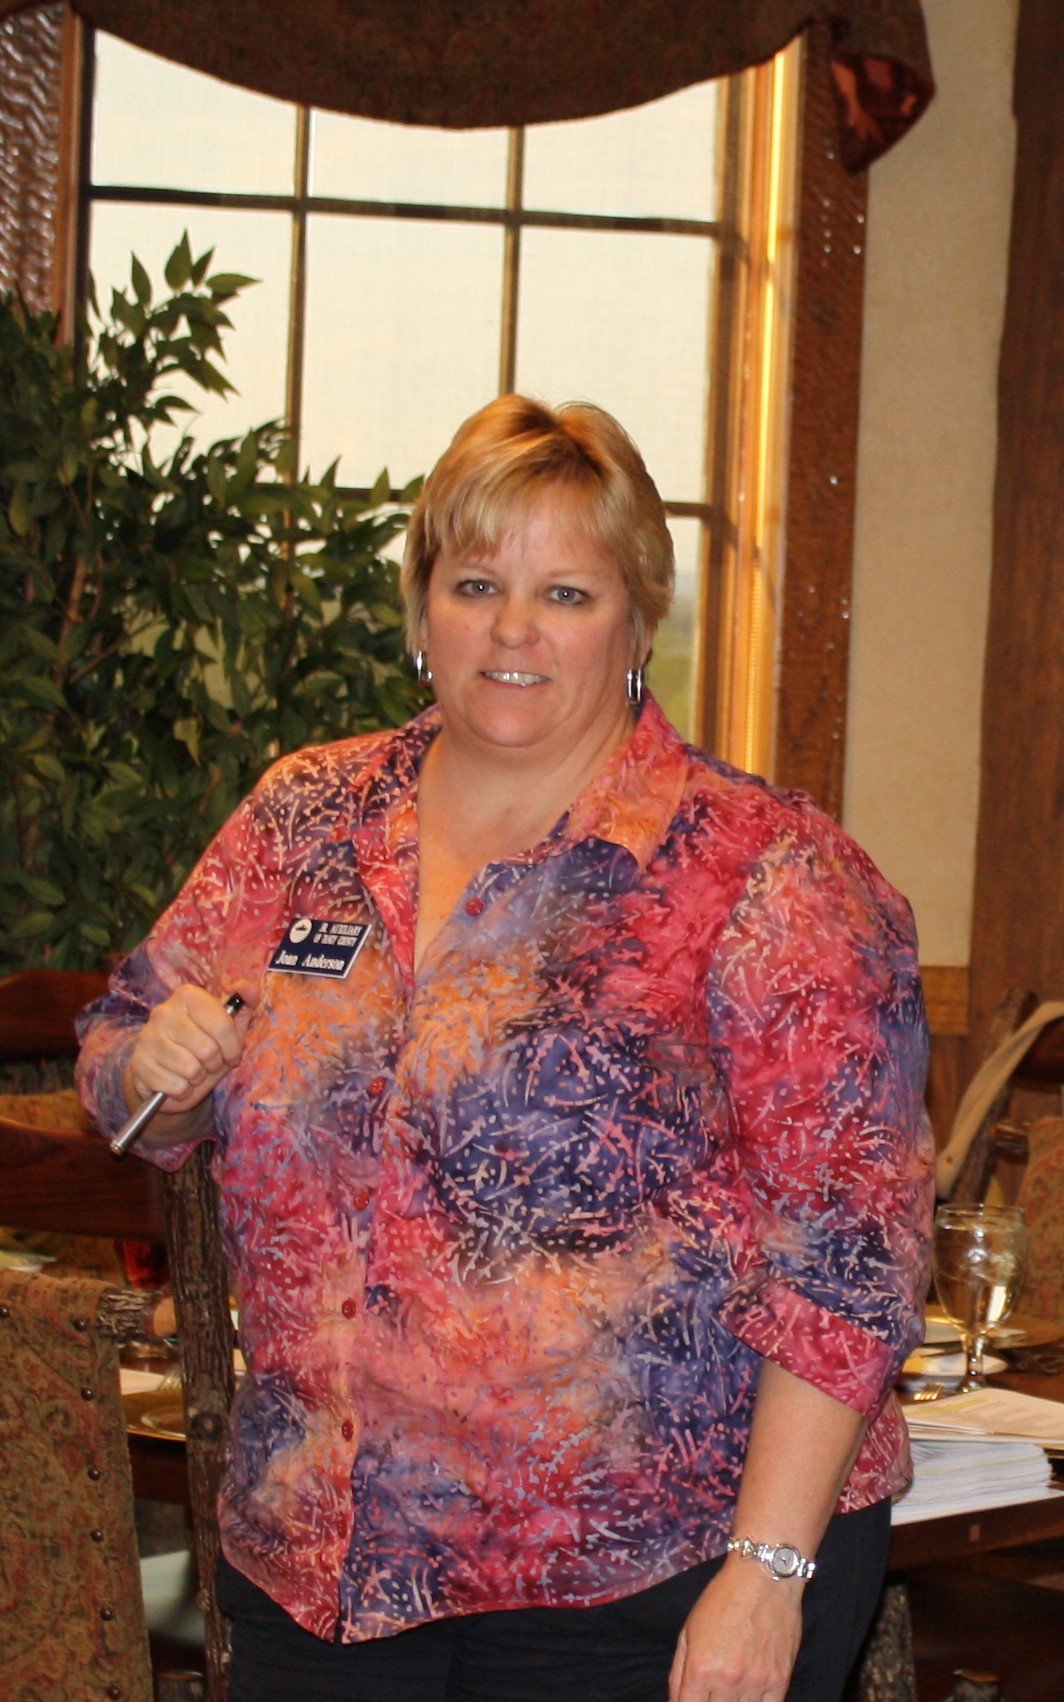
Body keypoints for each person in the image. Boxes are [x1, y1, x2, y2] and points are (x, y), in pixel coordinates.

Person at [77, 394, 934, 1702]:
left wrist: (768, 1571)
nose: (515, 629)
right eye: (476, 582)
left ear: (640, 619)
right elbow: (124, 1049)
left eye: (568, 592)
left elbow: (851, 1265)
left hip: (652, 1579)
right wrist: (155, 1081)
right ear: (423, 610)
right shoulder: (306, 815)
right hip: (320, 1562)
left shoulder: (769, 873)